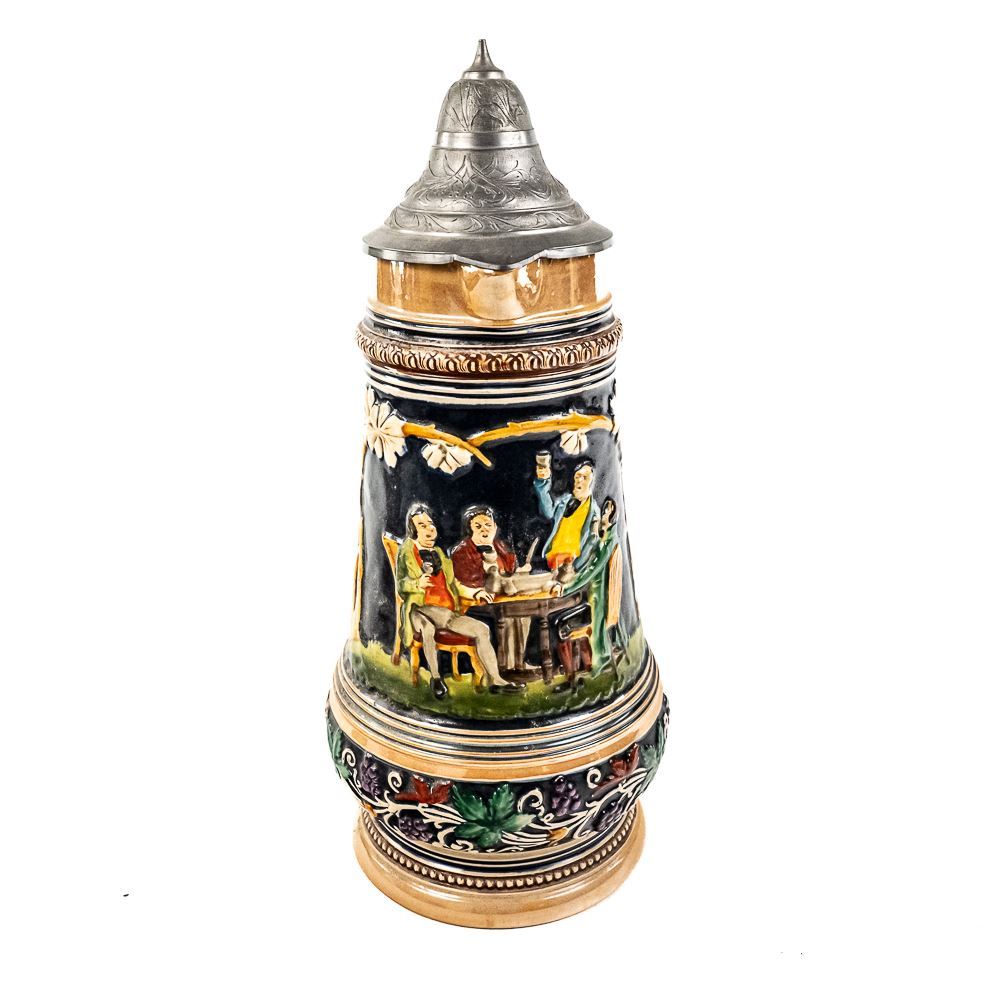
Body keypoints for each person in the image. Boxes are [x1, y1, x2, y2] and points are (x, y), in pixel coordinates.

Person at [396, 503, 524, 699]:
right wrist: (416, 583)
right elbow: (400, 584)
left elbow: (454, 584)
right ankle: (436, 679)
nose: (429, 529)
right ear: (413, 531)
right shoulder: (407, 552)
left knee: (482, 630)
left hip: (446, 613)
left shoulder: (439, 554)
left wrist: (475, 593)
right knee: (428, 630)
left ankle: (496, 680)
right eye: (422, 525)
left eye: (430, 524)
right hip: (419, 610)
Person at [450, 505, 533, 671]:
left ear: (495, 527)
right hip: (475, 602)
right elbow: (463, 582)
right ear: (470, 530)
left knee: (524, 614)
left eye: (488, 525)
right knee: (508, 615)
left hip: (502, 598)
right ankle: (505, 666)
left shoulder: (498, 545)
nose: (484, 530)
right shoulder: (462, 551)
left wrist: (520, 571)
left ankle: (518, 662)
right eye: (478, 526)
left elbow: (509, 570)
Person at [566, 497, 622, 669]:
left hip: (599, 594)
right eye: (604, 509)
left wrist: (568, 588)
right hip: (594, 591)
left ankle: (601, 660)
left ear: (611, 514)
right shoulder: (603, 536)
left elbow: (593, 568)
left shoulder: (608, 540)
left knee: (597, 627)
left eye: (607, 511)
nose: (604, 513)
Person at [533, 457, 600, 571]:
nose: (580, 480)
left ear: (591, 480)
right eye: (577, 476)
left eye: (585, 477)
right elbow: (548, 513)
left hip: (572, 562)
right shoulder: (564, 502)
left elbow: (593, 540)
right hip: (552, 559)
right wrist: (543, 482)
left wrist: (579, 565)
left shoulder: (593, 511)